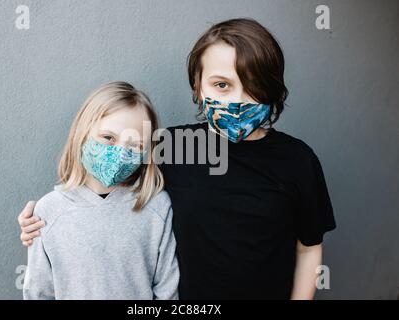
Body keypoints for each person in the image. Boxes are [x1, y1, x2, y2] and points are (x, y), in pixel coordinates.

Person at [19, 18, 336, 299]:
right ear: (198, 87)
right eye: (221, 84)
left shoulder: (296, 160)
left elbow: (308, 248)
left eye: (253, 85)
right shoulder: (171, 145)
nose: (238, 99)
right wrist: (43, 222)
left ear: (271, 87)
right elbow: (106, 182)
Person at [22, 82, 179, 299]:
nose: (120, 152)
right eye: (108, 138)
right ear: (83, 133)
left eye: (135, 145)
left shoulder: (157, 206)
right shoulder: (48, 211)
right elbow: (38, 291)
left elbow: (167, 290)